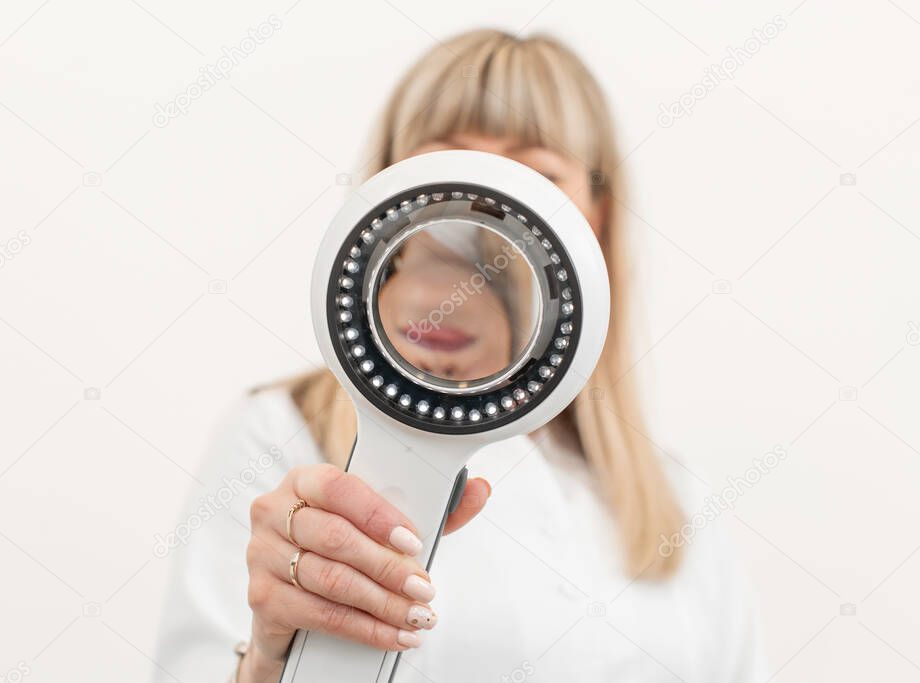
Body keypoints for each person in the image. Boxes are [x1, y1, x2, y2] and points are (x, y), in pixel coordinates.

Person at [155, 29, 766, 683]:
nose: (478, 219)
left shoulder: (678, 502)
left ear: (594, 218)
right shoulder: (281, 438)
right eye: (448, 167)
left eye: (533, 175)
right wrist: (270, 657)